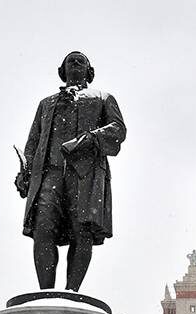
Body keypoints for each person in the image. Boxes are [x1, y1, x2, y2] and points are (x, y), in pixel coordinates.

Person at [15, 51, 126, 291]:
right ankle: (46, 293)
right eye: (70, 60)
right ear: (63, 70)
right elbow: (33, 142)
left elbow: (118, 130)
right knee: (42, 230)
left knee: (82, 230)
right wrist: (26, 172)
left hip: (85, 175)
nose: (75, 63)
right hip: (49, 175)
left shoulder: (102, 98)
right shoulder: (46, 104)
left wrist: (89, 139)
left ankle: (71, 293)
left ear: (89, 70)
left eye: (81, 60)